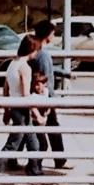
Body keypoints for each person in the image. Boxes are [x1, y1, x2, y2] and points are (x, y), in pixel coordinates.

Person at [0, 36, 42, 177]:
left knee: (33, 143)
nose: (37, 54)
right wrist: (38, 115)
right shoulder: (25, 68)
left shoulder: (12, 64)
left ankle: (35, 173)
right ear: (32, 50)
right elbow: (25, 95)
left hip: (13, 106)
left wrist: (6, 110)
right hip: (21, 109)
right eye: (37, 50)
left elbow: (5, 88)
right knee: (13, 144)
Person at [23, 20, 67, 169]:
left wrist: (64, 73)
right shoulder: (42, 54)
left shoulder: (39, 52)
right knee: (51, 128)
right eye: (53, 33)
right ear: (48, 34)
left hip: (42, 96)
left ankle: (59, 159)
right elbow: (44, 76)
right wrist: (51, 99)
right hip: (45, 97)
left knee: (29, 129)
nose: (54, 35)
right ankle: (58, 159)